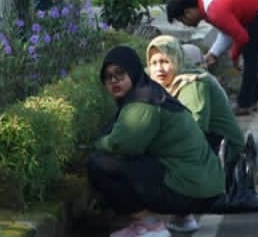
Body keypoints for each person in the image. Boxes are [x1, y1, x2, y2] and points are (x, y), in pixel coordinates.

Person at [89, 46, 224, 237]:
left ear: (133, 71)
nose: (114, 81)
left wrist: (99, 143)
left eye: (120, 73)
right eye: (108, 77)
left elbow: (123, 145)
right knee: (147, 157)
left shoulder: (141, 103)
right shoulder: (151, 92)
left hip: (189, 190)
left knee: (99, 163)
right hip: (204, 186)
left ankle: (149, 225)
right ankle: (182, 219)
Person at [167, 0, 258, 116]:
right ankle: (252, 99)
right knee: (253, 52)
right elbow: (228, 32)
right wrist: (213, 54)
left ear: (188, 12)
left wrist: (234, 57)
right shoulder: (208, 7)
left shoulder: (213, 11)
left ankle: (245, 103)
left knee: (251, 51)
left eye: (182, 21)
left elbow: (241, 37)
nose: (185, 25)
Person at [145, 36, 246, 178]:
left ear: (177, 60)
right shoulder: (158, 82)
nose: (159, 68)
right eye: (153, 63)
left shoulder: (193, 82)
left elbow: (195, 128)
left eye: (165, 61)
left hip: (223, 151)